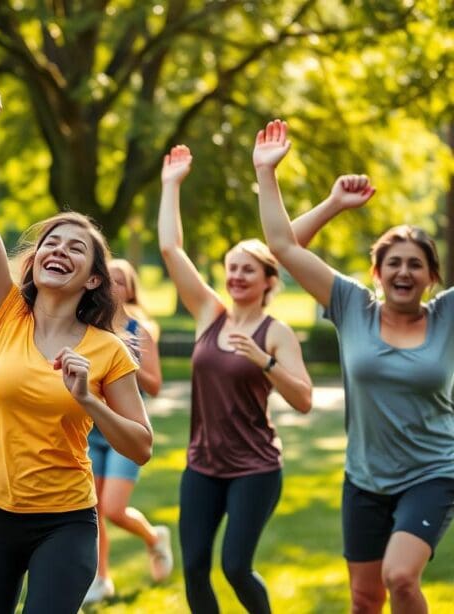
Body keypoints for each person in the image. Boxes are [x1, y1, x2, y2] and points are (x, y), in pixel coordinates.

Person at [0, 70, 153, 614]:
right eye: (51, 242)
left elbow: (140, 444)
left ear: (93, 278)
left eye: (75, 249)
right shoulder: (6, 316)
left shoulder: (108, 349)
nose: (57, 250)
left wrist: (90, 400)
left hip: (64, 520)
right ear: (37, 257)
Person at [254, 119, 454, 614]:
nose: (403, 272)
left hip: (433, 472)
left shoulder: (448, 314)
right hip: (364, 476)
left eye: (415, 264)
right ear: (377, 272)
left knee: (400, 578)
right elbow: (281, 247)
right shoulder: (350, 304)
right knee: (365, 600)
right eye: (394, 263)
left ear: (432, 276)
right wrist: (270, 174)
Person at [158, 144, 313, 613]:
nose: (236, 276)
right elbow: (170, 249)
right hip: (202, 464)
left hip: (255, 468)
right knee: (194, 568)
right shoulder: (210, 314)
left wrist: (264, 362)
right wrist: (171, 185)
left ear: (269, 280)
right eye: (231, 269)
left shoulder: (276, 332)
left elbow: (304, 399)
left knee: (235, 566)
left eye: (247, 269)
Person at [83, 258, 172, 604]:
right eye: (110, 280)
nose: (114, 286)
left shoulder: (140, 331)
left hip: (125, 432)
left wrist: (127, 361)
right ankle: (101, 579)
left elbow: (155, 385)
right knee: (93, 510)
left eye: (121, 281)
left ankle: (153, 538)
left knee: (113, 509)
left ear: (131, 288)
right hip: (91, 430)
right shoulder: (90, 326)